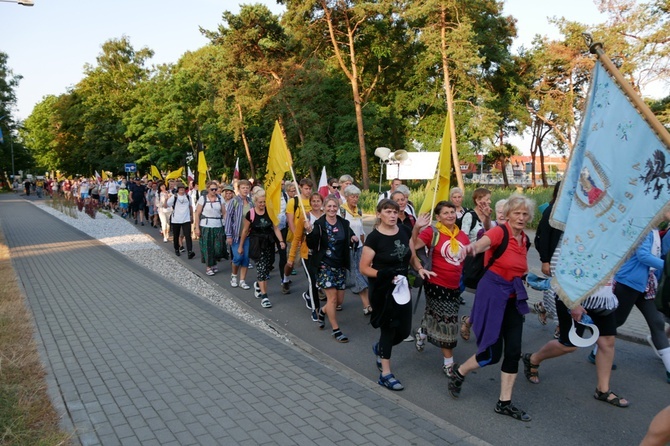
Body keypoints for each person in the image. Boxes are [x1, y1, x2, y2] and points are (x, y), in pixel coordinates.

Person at [446, 194, 534, 422]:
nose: (521, 218)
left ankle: (504, 402)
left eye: (525, 214)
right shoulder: (499, 232)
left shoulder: (525, 239)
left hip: (514, 296)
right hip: (493, 294)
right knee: (492, 353)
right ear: (508, 214)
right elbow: (481, 243)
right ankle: (460, 371)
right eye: (517, 213)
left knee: (513, 350)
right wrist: (469, 249)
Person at [522, 279, 628, 408]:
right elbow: (564, 270)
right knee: (569, 345)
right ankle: (533, 359)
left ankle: (602, 390)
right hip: (573, 297)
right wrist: (574, 303)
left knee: (607, 342)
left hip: (603, 298)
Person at [360, 199, 423, 391]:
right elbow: (363, 268)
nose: (393, 215)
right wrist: (383, 274)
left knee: (403, 331)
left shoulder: (404, 231)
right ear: (379, 214)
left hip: (402, 289)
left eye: (395, 212)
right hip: (382, 290)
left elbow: (411, 256)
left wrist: (420, 269)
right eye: (388, 211)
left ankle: (380, 348)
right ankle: (385, 374)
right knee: (388, 329)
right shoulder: (374, 238)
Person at [412, 202, 470, 376]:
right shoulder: (432, 232)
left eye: (452, 212)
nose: (450, 215)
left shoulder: (462, 235)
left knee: (433, 314)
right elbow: (412, 246)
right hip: (436, 283)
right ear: (438, 217)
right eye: (446, 213)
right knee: (448, 323)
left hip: (455, 285)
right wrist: (416, 228)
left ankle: (422, 332)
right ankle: (448, 363)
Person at [306, 195, 355, 343]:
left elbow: (349, 233)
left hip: (339, 265)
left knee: (338, 300)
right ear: (324, 208)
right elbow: (312, 244)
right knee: (332, 299)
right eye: (329, 206)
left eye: (334, 206)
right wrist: (309, 232)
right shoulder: (319, 225)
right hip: (324, 265)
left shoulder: (343, 223)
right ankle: (336, 330)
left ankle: (322, 311)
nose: (332, 209)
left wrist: (353, 238)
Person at [238, 188, 285, 309]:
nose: (262, 204)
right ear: (255, 202)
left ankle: (258, 285)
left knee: (268, 266)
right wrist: (241, 246)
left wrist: (281, 241)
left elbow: (275, 228)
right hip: (256, 244)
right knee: (261, 269)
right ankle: (265, 297)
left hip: (269, 243)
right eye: (260, 202)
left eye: (264, 202)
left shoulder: (270, 212)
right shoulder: (251, 214)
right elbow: (245, 231)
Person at [291, 193, 325, 321]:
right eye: (314, 201)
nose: (316, 203)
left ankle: (307, 295)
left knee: (319, 282)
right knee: (313, 281)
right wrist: (291, 257)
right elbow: (297, 238)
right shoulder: (306, 217)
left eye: (318, 201)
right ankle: (315, 309)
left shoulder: (326, 217)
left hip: (321, 254)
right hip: (308, 254)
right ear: (310, 203)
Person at [341, 184, 371, 315]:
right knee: (357, 275)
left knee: (361, 274)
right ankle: (367, 305)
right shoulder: (341, 211)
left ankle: (337, 302)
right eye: (353, 196)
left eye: (357, 197)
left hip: (359, 248)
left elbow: (361, 230)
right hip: (348, 249)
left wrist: (364, 247)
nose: (355, 199)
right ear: (347, 197)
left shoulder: (358, 211)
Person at [284, 179, 314, 293]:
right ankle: (285, 279)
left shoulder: (313, 201)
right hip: (295, 237)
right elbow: (290, 221)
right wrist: (297, 237)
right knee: (291, 263)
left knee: (311, 264)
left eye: (310, 189)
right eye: (306, 188)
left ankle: (315, 287)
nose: (308, 191)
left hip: (309, 238)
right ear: (300, 188)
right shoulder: (293, 201)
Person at [224, 179, 254, 290]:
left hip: (247, 235)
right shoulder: (234, 201)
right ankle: (234, 276)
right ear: (239, 189)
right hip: (236, 234)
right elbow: (228, 219)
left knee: (246, 258)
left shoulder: (251, 202)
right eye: (243, 188)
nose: (245, 190)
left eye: (247, 188)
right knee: (237, 257)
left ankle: (242, 280)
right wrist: (228, 235)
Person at [194, 181, 227, 276]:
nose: (214, 191)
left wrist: (227, 225)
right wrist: (197, 228)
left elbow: (224, 213)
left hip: (218, 225)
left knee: (218, 247)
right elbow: (197, 213)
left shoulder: (220, 198)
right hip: (206, 225)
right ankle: (209, 266)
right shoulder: (203, 198)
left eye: (215, 189)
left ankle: (214, 262)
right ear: (208, 189)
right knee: (208, 247)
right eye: (212, 189)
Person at [167, 183, 195, 259]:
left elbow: (190, 207)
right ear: (178, 189)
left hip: (186, 219)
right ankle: (176, 249)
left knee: (188, 236)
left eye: (183, 188)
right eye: (181, 188)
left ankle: (190, 251)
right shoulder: (174, 197)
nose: (182, 190)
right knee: (176, 236)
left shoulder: (188, 197)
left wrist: (192, 216)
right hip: (176, 219)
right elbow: (167, 204)